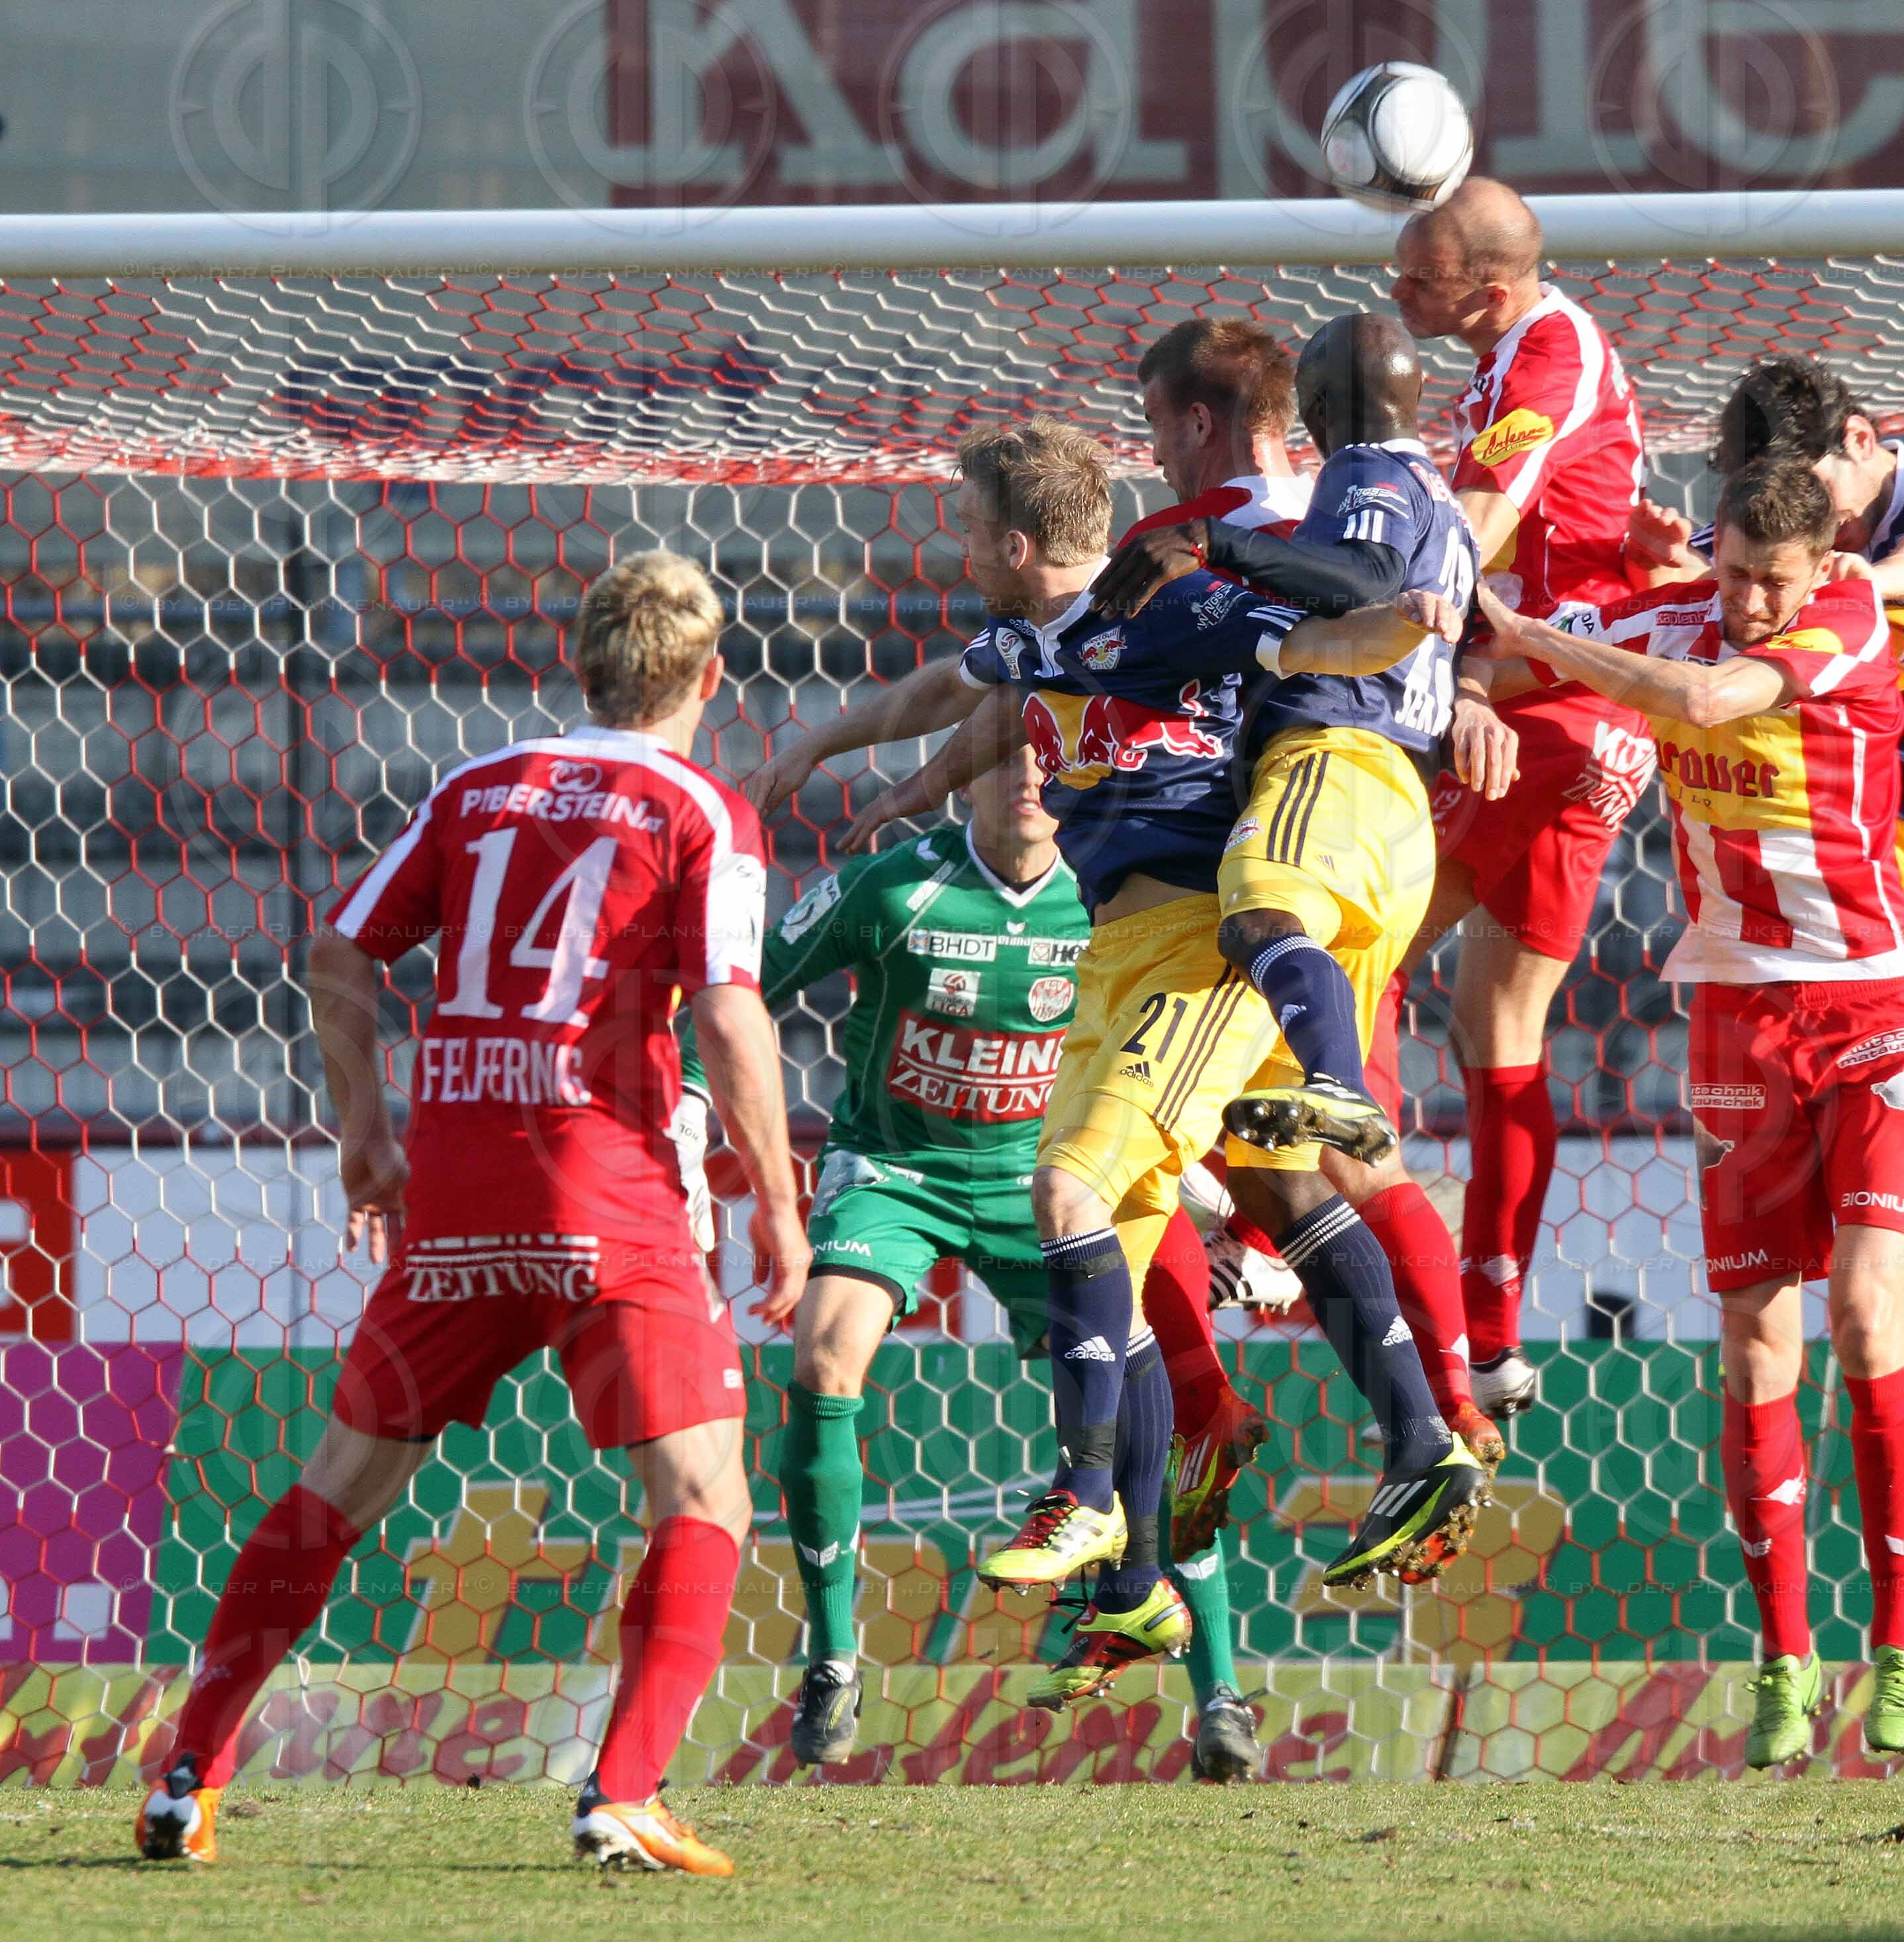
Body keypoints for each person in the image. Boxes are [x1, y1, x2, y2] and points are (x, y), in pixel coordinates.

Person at [134, 552, 808, 1874]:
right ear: (712, 677)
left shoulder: (474, 787)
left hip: (456, 1192)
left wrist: (370, 1141)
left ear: (583, 662)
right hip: (604, 1189)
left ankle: (184, 1776)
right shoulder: (700, 808)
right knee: (705, 1494)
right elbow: (730, 1011)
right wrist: (780, 1202)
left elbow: (339, 952)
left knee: (342, 1484)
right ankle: (623, 1791)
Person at [872, 416, 1485, 1614]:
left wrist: (1406, 629)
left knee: (1081, 1198)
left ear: (1008, 539)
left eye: (962, 524)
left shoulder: (1166, 606)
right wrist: (843, 757)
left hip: (1198, 944)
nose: (951, 542)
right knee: (1133, 1251)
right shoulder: (1024, 638)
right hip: (1109, 951)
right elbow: (960, 687)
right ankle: (1144, 1571)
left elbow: (1309, 641)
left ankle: (1092, 1496)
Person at [1474, 461, 1904, 1764]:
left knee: (1863, 1309)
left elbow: (1704, 700)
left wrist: (1525, 632)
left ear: (1822, 564)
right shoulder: (1674, 615)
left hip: (1872, 1009)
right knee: (1752, 1341)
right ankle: (1786, 1664)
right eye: (1730, 572)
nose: (1744, 601)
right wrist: (1476, 674)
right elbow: (1540, 675)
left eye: (1770, 581)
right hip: (1738, 1017)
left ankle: (1901, 1646)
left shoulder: (1843, 618)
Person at [675, 746, 1260, 1777]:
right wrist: (683, 1107)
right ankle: (834, 1657)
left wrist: (1235, 1204)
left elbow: (1202, 1037)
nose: (1029, 777)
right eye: (1003, 759)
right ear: (961, 777)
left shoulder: (1118, 892)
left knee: (1158, 1399)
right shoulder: (892, 885)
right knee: (822, 1355)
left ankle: (1218, 1692)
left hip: (1051, 1177)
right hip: (896, 1170)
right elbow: (737, 989)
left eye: (1049, 758)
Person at [1631, 355, 1904, 1555]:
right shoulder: (1778, 565)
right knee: (1858, 1192)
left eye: (1813, 487)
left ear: (1868, 442)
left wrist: (1846, 581)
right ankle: (1870, 1426)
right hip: (1835, 861)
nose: (1801, 514)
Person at [1390, 177, 1658, 1420]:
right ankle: (1486, 1338)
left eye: (1417, 280)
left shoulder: (1544, 357)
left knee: (1352, 942)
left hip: (1555, 718)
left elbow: (1480, 525)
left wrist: (1404, 632)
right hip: (1555, 702)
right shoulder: (1513, 353)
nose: (1395, 296)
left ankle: (1311, 1218)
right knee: (1488, 1032)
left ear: (1486, 292)